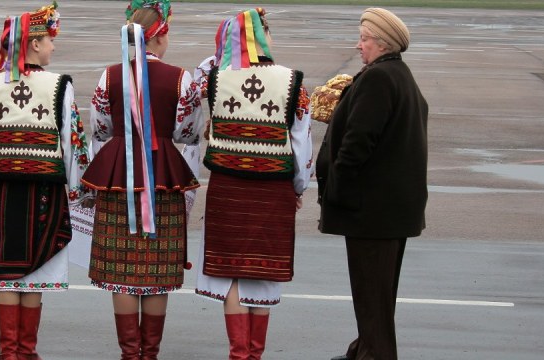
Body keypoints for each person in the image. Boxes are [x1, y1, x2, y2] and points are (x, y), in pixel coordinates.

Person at [0, 2, 93, 359]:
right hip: (44, 192)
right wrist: (79, 188)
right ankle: (26, 350)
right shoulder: (60, 87)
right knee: (34, 269)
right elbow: (73, 142)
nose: (54, 46)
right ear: (34, 44)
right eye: (50, 40)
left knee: (5, 269)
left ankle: (9, 353)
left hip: (3, 192)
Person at [80, 0, 204, 358]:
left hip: (118, 175)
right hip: (163, 176)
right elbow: (188, 130)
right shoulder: (181, 77)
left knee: (121, 266)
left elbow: (100, 126)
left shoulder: (110, 74)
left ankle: (129, 353)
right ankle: (149, 353)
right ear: (160, 36)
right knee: (156, 268)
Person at [194, 8, 313, 360]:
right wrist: (298, 186)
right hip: (272, 189)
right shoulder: (292, 82)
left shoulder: (216, 78)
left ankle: (238, 353)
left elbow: (194, 90)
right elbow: (301, 141)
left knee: (231, 272)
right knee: (263, 271)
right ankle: (254, 355)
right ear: (264, 38)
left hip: (227, 187)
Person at [315, 7, 428, 360]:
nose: (359, 44)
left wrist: (336, 190)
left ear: (381, 43)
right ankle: (362, 349)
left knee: (372, 295)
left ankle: (373, 354)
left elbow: (357, 143)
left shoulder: (378, 79)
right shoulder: (399, 75)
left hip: (371, 213)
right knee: (377, 295)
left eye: (364, 39)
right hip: (389, 212)